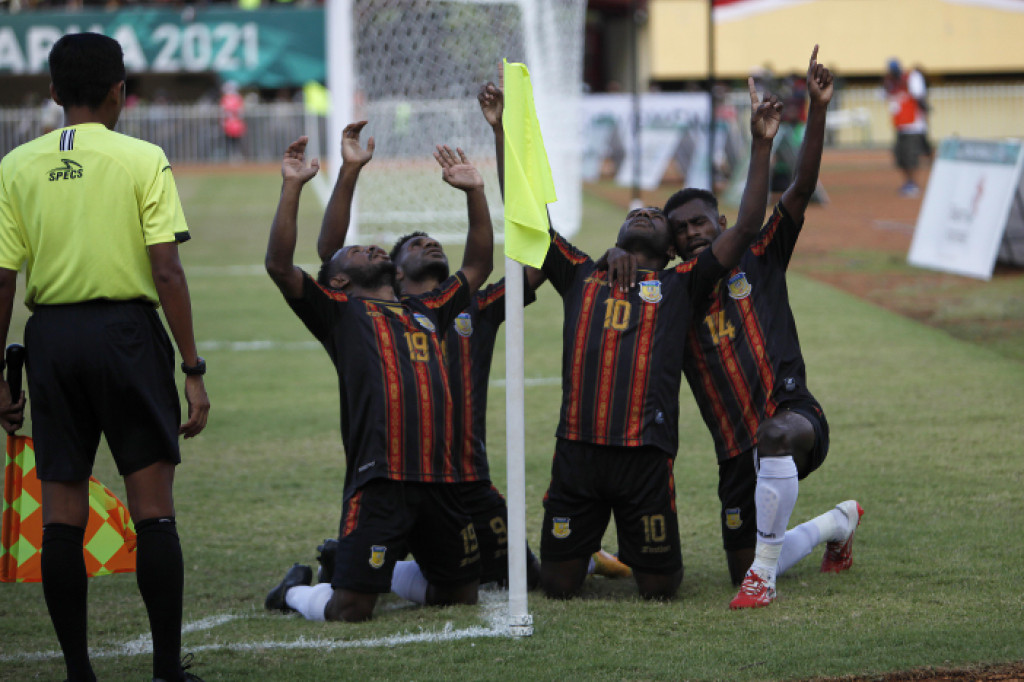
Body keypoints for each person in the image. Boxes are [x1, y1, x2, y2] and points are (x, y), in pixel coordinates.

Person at [607, 46, 861, 609]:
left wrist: (815, 109)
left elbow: (795, 192)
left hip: (795, 420)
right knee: (737, 563)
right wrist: (613, 252)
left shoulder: (762, 254)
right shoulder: (674, 295)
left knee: (772, 438)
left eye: (702, 222)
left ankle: (763, 581)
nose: (695, 233)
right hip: (732, 455)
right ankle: (836, 525)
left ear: (722, 223)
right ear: (672, 245)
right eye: (682, 230)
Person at [0, 33, 210, 682]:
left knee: (62, 511)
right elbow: (167, 271)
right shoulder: (143, 158)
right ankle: (167, 672)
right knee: (153, 510)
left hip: (52, 339)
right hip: (127, 334)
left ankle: (78, 673)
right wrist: (193, 368)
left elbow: (3, 281)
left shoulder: (15, 165)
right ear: (121, 91)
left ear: (54, 92)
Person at [537, 76, 783, 601]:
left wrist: (761, 144)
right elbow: (533, 225)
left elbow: (744, 229)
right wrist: (503, 132)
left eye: (654, 216)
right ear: (620, 236)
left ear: (673, 250)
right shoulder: (582, 272)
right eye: (635, 213)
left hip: (645, 456)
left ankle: (605, 550)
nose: (644, 213)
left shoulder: (682, 284)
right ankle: (587, 550)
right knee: (557, 586)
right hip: (576, 449)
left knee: (660, 588)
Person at [263, 136, 492, 622]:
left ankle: (370, 567)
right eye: (356, 252)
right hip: (381, 479)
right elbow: (280, 266)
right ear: (339, 281)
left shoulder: (429, 308)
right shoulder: (340, 313)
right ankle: (292, 594)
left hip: (440, 478)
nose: (368, 247)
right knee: (350, 608)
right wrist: (292, 187)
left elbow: (477, 265)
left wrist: (475, 192)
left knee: (460, 593)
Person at [883, 59, 929, 197]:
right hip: (900, 126)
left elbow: (918, 94)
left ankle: (913, 183)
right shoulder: (891, 84)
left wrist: (903, 82)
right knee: (900, 155)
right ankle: (908, 182)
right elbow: (882, 95)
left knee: (911, 156)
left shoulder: (911, 78)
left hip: (913, 126)